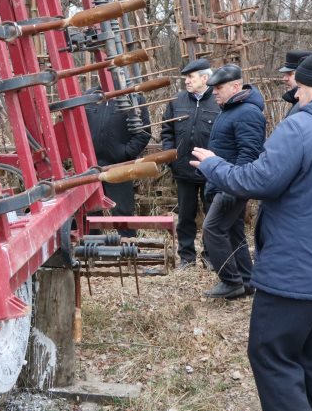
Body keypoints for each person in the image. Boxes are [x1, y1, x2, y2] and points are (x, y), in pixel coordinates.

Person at [191, 51, 312, 411]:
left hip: (293, 275)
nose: (294, 94)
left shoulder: (300, 128)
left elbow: (258, 180)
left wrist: (214, 165)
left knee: (272, 355)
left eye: (298, 87)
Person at [200, 64, 265, 298]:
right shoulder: (229, 110)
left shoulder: (247, 112)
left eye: (219, 87)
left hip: (233, 184)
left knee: (213, 228)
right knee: (234, 231)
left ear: (236, 86)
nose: (214, 92)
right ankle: (247, 281)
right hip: (225, 182)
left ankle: (230, 280)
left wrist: (234, 186)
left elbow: (249, 154)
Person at [160, 58, 220, 268]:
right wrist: (172, 157)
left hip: (210, 170)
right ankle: (186, 256)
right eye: (185, 77)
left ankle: (210, 256)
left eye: (191, 77)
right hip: (183, 168)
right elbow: (167, 131)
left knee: (212, 214)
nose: (186, 81)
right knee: (185, 215)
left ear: (205, 78)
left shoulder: (218, 101)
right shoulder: (177, 101)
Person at [85, 89, 152, 237]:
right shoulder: (89, 97)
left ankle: (128, 249)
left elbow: (144, 133)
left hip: (118, 166)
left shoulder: (133, 98)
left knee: (123, 211)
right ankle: (91, 250)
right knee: (89, 212)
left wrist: (125, 153)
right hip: (89, 167)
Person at [278, 49, 312, 117]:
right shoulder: (299, 102)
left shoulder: (307, 106)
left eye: (290, 74)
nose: (284, 79)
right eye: (285, 74)